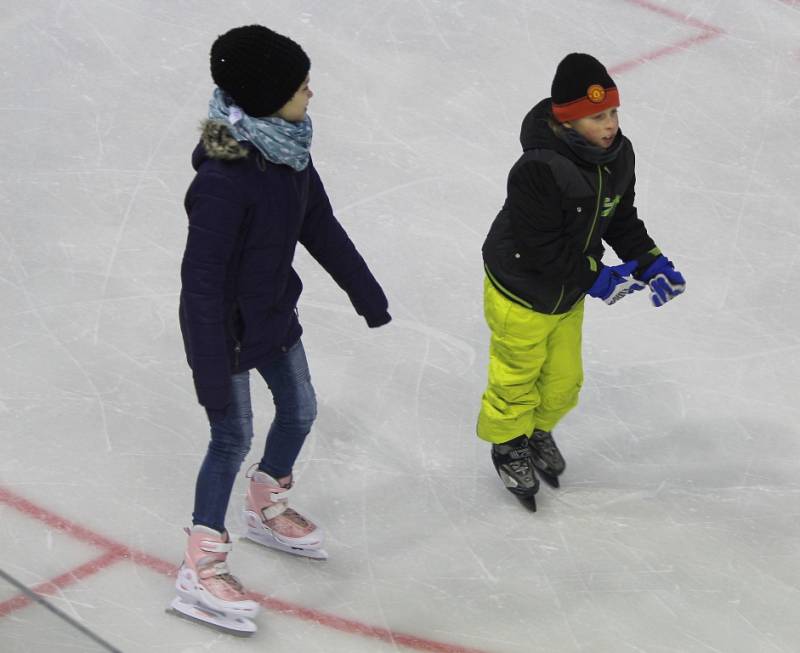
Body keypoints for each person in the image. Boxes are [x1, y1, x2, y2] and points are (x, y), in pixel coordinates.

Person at [170, 25, 391, 635]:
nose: (311, 93)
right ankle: (201, 562)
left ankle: (264, 505)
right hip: (226, 333)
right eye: (300, 86)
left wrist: (364, 292)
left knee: (300, 411)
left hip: (273, 314)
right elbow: (201, 285)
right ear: (268, 95)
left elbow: (319, 225)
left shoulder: (289, 152)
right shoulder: (223, 180)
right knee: (229, 438)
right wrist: (213, 371)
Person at [478, 53, 685, 511]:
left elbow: (619, 216)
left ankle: (536, 430)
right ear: (568, 121)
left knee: (564, 382)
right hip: (521, 289)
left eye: (613, 112)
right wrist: (598, 278)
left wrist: (649, 260)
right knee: (516, 378)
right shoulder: (539, 168)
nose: (610, 124)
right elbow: (540, 248)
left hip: (566, 291)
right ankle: (507, 444)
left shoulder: (618, 156)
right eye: (597, 116)